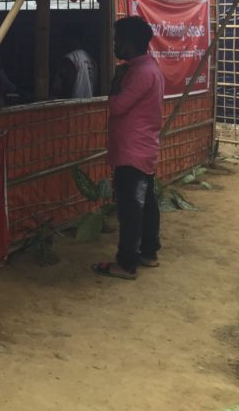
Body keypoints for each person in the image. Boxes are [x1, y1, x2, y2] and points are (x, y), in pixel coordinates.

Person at [91, 16, 165, 280]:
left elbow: (117, 107)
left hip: (133, 150)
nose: (114, 45)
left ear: (128, 43)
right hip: (142, 147)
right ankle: (148, 252)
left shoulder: (139, 72)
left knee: (131, 207)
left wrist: (114, 82)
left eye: (116, 40)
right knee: (146, 203)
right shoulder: (149, 68)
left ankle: (126, 263)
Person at [53, 24, 98, 99]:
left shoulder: (70, 59)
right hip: (87, 105)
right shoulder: (91, 60)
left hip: (69, 106)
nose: (62, 41)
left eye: (64, 38)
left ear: (70, 39)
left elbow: (65, 87)